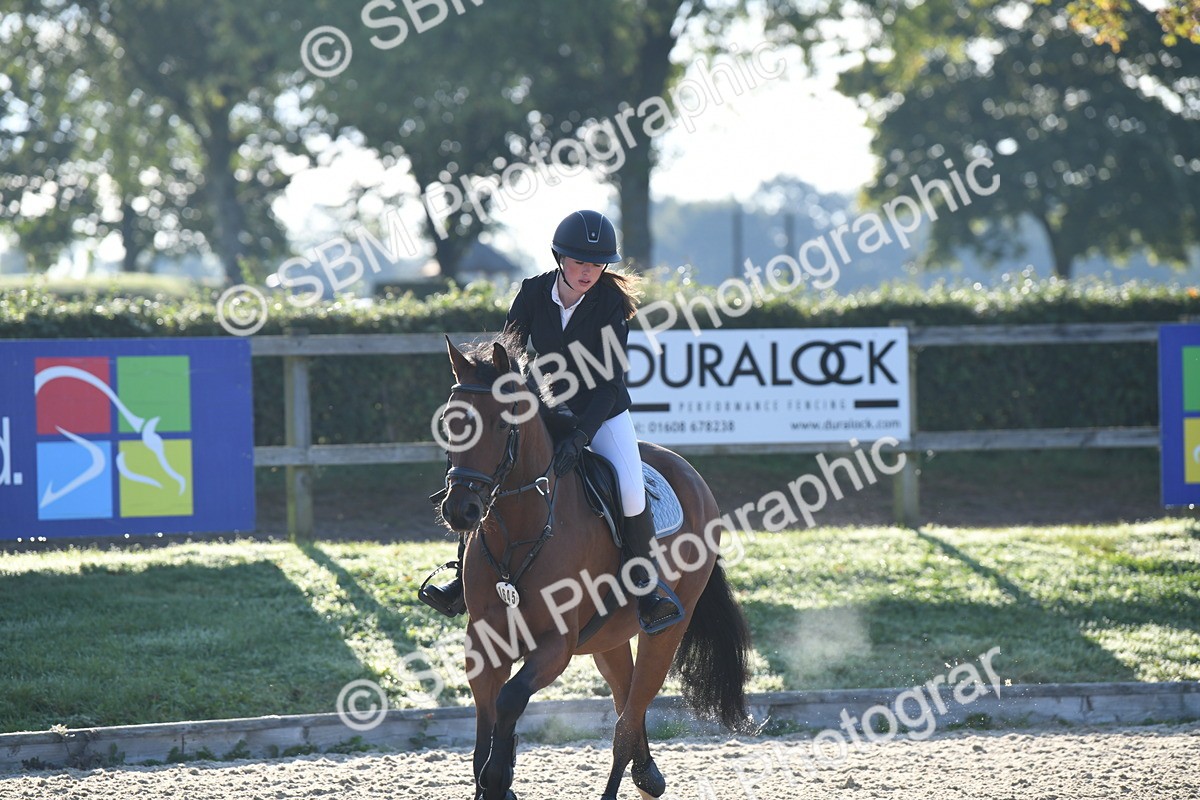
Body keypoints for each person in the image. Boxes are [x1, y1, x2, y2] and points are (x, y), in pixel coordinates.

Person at [420, 209, 684, 635]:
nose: (588, 272)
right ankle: (459, 577)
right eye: (580, 263)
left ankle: (646, 587)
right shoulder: (531, 293)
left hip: (601, 412)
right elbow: (506, 356)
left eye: (597, 264)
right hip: (543, 405)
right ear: (560, 258)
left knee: (631, 488)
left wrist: (580, 438)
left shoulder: (610, 303)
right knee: (481, 467)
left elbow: (609, 384)